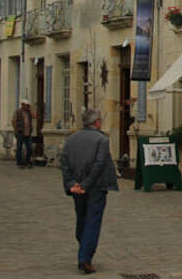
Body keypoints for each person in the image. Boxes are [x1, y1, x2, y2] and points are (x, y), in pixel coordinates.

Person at [60, 108, 119, 275]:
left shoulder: (71, 139)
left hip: (77, 187)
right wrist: (85, 184)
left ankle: (84, 251)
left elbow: (64, 161)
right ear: (97, 122)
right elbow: (99, 164)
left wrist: (72, 183)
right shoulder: (101, 139)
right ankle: (85, 258)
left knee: (82, 220)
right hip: (96, 187)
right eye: (100, 120)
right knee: (92, 221)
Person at [11, 98, 36, 168]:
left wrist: (30, 110)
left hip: (28, 133)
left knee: (30, 148)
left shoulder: (28, 112)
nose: (26, 107)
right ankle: (19, 162)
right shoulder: (17, 112)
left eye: (28, 106)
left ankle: (27, 161)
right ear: (22, 105)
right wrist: (15, 130)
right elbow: (13, 121)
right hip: (20, 132)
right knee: (19, 148)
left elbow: (35, 117)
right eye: (26, 105)